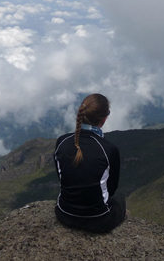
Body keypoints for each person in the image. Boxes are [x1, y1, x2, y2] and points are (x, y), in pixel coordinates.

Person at [53, 93, 126, 233]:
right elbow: (111, 189)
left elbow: (63, 178)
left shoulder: (62, 142)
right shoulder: (109, 149)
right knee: (119, 197)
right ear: (104, 119)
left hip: (64, 214)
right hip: (98, 220)